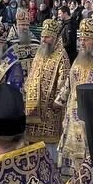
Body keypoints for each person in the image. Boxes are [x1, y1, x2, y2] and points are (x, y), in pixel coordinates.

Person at [57, 18, 93, 175]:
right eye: (81, 39)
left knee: (89, 163)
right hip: (72, 116)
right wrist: (60, 100)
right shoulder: (80, 57)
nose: (81, 43)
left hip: (90, 119)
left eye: (86, 40)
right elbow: (70, 82)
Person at [24, 18, 70, 155]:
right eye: (42, 36)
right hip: (33, 107)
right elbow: (32, 74)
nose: (43, 40)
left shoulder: (62, 56)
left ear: (55, 38)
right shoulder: (40, 51)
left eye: (47, 37)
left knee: (48, 149)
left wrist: (58, 102)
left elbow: (66, 81)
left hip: (50, 109)